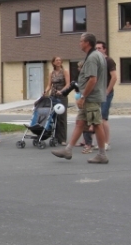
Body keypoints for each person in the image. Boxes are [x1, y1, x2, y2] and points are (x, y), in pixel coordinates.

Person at [51, 32, 109, 164]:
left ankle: (102, 154)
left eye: (81, 41)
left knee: (97, 124)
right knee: (80, 122)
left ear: (87, 43)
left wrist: (83, 96)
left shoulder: (93, 57)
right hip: (90, 97)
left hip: (91, 97)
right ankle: (68, 150)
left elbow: (93, 79)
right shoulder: (95, 56)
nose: (79, 43)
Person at [95, 41, 117, 150]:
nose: (97, 50)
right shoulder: (97, 62)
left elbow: (114, 77)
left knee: (103, 118)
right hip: (98, 93)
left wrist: (108, 91)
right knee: (98, 118)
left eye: (99, 48)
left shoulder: (109, 61)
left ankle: (106, 142)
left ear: (104, 49)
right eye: (96, 48)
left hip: (106, 93)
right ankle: (101, 141)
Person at [44, 56, 70, 146]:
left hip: (62, 96)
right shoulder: (52, 72)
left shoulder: (65, 71)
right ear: (53, 62)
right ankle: (55, 137)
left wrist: (61, 91)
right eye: (56, 60)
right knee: (53, 117)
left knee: (62, 117)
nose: (58, 61)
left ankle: (62, 139)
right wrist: (45, 91)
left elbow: (68, 84)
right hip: (53, 96)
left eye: (60, 60)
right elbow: (49, 85)